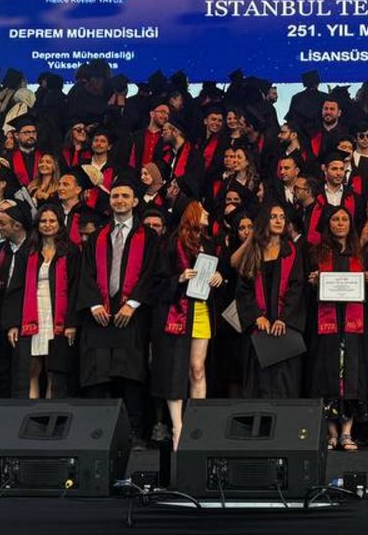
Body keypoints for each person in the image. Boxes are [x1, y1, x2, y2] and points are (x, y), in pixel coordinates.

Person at [77, 175, 157, 441]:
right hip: (100, 315)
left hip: (131, 316)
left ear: (135, 201)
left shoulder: (149, 237)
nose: (119, 200)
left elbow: (150, 274)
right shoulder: (98, 235)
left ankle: (132, 430)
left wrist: (133, 303)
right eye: (115, 196)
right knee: (98, 373)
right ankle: (97, 431)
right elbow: (86, 273)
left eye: (125, 196)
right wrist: (95, 303)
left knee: (130, 374)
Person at [148, 202, 223, 446]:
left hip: (201, 309)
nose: (208, 214)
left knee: (197, 367)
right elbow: (156, 282)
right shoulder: (171, 244)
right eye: (204, 210)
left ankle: (197, 422)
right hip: (176, 312)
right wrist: (179, 277)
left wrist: (219, 277)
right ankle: (178, 427)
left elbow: (220, 273)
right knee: (174, 369)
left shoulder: (210, 244)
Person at [306, 205, 368, 450]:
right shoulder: (316, 253)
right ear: (328, 224)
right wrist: (313, 282)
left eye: (345, 219)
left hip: (353, 324)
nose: (340, 223)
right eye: (335, 219)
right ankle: (331, 433)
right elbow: (306, 289)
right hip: (327, 323)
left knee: (352, 372)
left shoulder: (360, 253)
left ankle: (347, 432)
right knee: (326, 371)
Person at [3, 201, 78, 400]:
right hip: (31, 312)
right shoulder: (27, 252)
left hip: (57, 314)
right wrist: (12, 324)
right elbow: (15, 288)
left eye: (52, 220)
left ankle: (51, 413)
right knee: (31, 366)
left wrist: (71, 323)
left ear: (60, 224)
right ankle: (31, 414)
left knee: (55, 368)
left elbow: (76, 289)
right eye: (43, 221)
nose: (47, 224)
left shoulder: (70, 252)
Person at [234, 203, 306, 399]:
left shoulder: (291, 251)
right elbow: (243, 290)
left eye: (282, 217)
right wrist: (257, 317)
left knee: (284, 383)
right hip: (260, 328)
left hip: (284, 328)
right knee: (259, 382)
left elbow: (297, 287)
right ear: (265, 220)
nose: (278, 221)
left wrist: (284, 319)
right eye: (273, 216)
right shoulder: (253, 250)